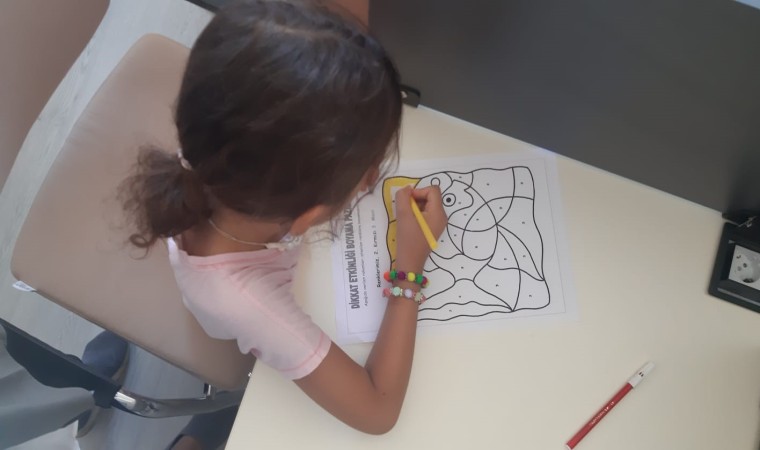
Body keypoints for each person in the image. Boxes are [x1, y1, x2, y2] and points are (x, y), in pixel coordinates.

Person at [120, 0, 447, 448]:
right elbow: (378, 409)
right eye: (366, 171)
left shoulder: (224, 136)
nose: (372, 179)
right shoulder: (253, 305)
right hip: (233, 311)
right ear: (307, 216)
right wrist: (410, 267)